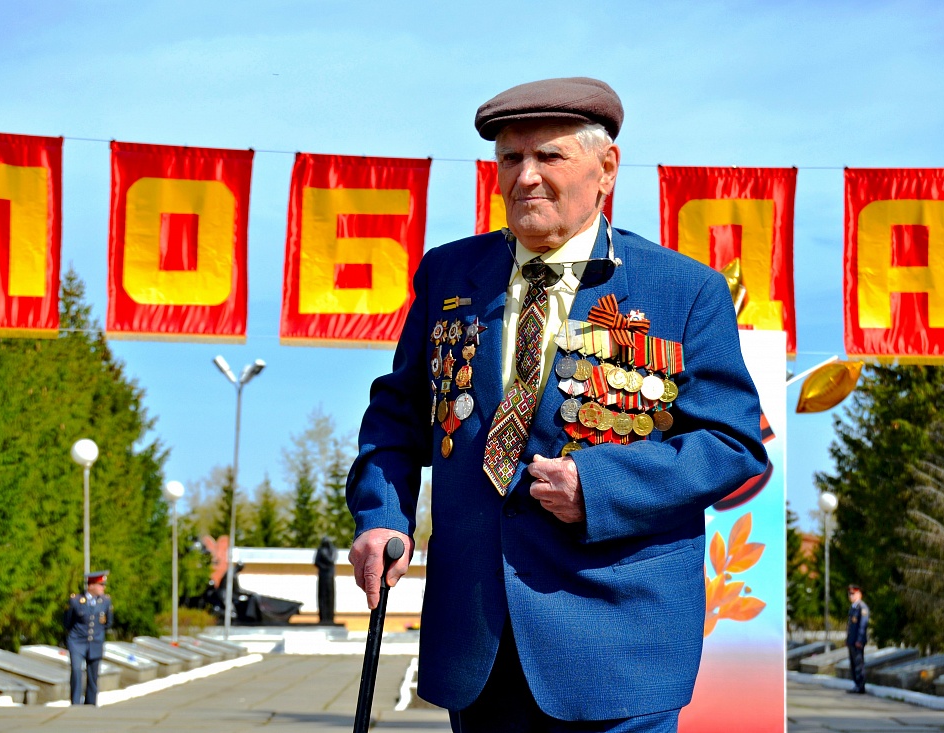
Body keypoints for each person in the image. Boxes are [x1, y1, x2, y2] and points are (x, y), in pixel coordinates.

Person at [346, 77, 767, 732]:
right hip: (479, 644)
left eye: (550, 156)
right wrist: (381, 515)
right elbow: (398, 419)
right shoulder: (449, 275)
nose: (526, 177)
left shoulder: (683, 290)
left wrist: (600, 488)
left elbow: (732, 444)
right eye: (511, 158)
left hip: (620, 648)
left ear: (606, 169)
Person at [64, 569, 112, 705]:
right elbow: (67, 621)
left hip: (95, 641)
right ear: (91, 586)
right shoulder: (76, 600)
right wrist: (74, 635)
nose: (103, 588)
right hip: (77, 641)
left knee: (93, 675)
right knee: (76, 670)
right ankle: (75, 702)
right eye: (100, 585)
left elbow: (108, 622)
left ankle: (90, 703)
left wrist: (98, 635)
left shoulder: (105, 601)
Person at [846, 583, 870, 694]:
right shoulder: (853, 608)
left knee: (858, 663)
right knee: (853, 664)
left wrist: (859, 640)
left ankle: (861, 686)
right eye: (849, 594)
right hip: (852, 641)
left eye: (853, 594)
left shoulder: (862, 608)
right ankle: (856, 684)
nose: (851, 596)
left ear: (859, 594)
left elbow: (862, 625)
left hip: (857, 642)